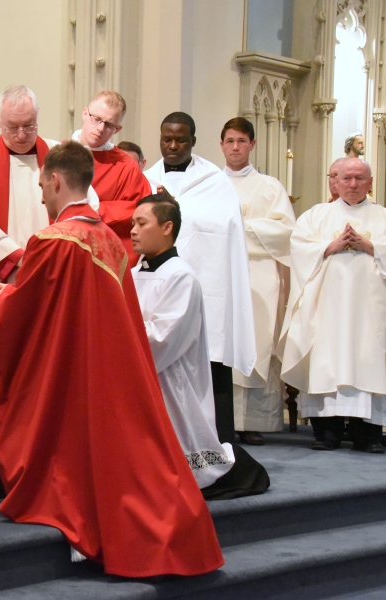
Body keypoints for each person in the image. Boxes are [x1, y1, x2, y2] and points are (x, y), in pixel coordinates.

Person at [0, 141, 223, 577]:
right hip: (109, 370)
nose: (43, 196)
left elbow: (21, 313)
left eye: (42, 186)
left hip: (72, 371)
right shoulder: (109, 239)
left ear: (54, 179)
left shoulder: (54, 241)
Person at [131, 195, 270, 500]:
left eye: (142, 223)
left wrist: (119, 336)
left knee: (184, 462)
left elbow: (163, 338)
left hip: (170, 378)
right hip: (140, 377)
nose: (133, 231)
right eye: (133, 224)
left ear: (167, 227)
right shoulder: (133, 274)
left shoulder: (180, 275)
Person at [145, 112, 256, 444]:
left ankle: (218, 442)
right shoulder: (145, 179)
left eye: (181, 139)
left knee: (211, 361)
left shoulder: (214, 181)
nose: (174, 145)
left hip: (207, 287)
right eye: (167, 139)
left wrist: (180, 213)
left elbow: (224, 232)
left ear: (194, 141)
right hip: (161, 289)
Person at [279, 158, 386, 453]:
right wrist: (330, 247)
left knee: (368, 361)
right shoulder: (315, 216)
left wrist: (370, 246)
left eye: (360, 179)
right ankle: (327, 433)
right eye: (346, 178)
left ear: (370, 183)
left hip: (371, 312)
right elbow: (298, 250)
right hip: (326, 310)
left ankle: (367, 435)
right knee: (326, 361)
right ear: (335, 181)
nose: (353, 184)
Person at [220, 118, 296, 446]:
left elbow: (286, 232)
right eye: (230, 141)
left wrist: (244, 228)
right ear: (221, 144)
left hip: (259, 275)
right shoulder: (210, 183)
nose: (235, 147)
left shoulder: (270, 187)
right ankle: (223, 421)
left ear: (252, 145)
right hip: (221, 275)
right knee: (224, 344)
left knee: (256, 341)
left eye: (241, 141)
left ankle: (252, 422)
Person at [0, 84, 71, 286]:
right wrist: (19, 259)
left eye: (29, 125)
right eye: (12, 127)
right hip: (5, 276)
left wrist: (53, 256)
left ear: (37, 117)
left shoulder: (60, 156)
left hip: (56, 269)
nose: (21, 135)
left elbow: (81, 207)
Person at [73, 91, 151, 266]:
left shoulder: (126, 166)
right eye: (97, 119)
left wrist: (95, 209)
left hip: (101, 260)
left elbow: (139, 211)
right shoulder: (56, 153)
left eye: (109, 125)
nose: (100, 128)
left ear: (118, 129)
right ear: (85, 113)